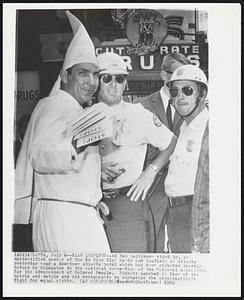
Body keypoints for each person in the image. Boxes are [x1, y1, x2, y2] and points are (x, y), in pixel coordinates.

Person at [14, 11, 110, 252]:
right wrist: (78, 144)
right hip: (63, 219)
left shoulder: (74, 108)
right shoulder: (55, 104)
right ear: (65, 75)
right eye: (83, 73)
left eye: (95, 74)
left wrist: (93, 193)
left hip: (77, 214)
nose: (92, 82)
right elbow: (40, 155)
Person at [96, 52, 177, 253]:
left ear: (126, 83)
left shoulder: (137, 113)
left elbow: (172, 142)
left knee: (130, 272)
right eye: (106, 78)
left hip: (127, 206)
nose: (114, 84)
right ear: (96, 81)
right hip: (89, 205)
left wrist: (150, 172)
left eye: (120, 78)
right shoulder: (82, 115)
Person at [134, 53, 191, 252]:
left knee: (182, 250)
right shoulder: (141, 107)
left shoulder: (192, 107)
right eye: (175, 74)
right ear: (163, 75)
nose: (180, 82)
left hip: (183, 194)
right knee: (152, 249)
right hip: (150, 194)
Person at [164, 64, 209, 253]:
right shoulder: (182, 127)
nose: (180, 96)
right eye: (174, 91)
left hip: (196, 214)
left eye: (187, 90)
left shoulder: (209, 128)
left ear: (202, 94)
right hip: (175, 214)